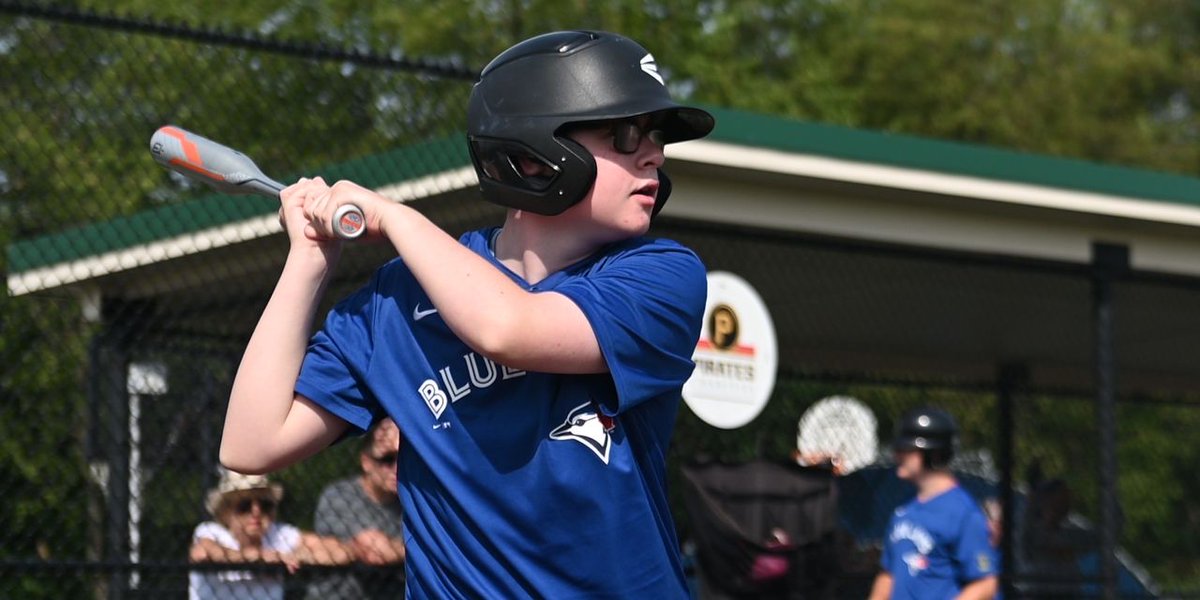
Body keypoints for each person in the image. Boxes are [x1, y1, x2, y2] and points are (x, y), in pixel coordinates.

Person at [218, 29, 714, 598]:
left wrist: (397, 219)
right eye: (624, 133)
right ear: (532, 156)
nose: (653, 152)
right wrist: (307, 260)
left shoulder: (661, 276)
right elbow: (251, 444)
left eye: (655, 136)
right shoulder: (399, 301)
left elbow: (508, 327)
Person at [868, 407, 998, 600]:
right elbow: (888, 574)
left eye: (907, 450)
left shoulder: (963, 513)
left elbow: (985, 584)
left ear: (934, 455)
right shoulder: (904, 512)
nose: (897, 456)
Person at [188, 468, 354, 600]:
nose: (256, 512)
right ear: (226, 512)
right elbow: (201, 553)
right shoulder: (211, 531)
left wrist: (297, 555)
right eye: (245, 505)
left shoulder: (278, 534)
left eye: (265, 505)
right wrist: (261, 557)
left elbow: (341, 553)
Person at [305, 418, 406, 600]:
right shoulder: (340, 495)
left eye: (402, 459)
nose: (396, 468)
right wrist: (412, 549)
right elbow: (375, 552)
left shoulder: (409, 504)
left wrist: (396, 549)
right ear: (366, 462)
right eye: (387, 459)